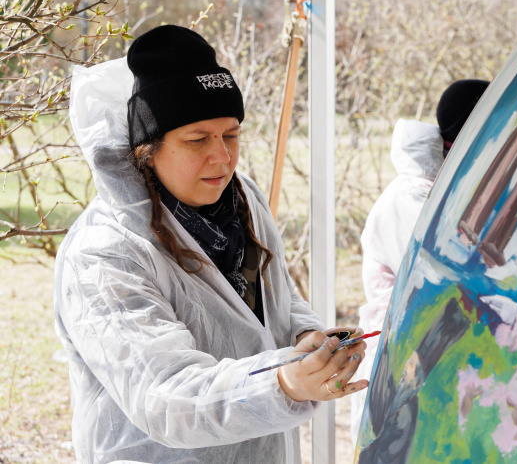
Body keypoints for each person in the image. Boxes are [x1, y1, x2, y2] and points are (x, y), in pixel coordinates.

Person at [54, 25, 367, 463]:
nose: (222, 157)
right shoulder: (104, 253)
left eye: (231, 135)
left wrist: (306, 335)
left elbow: (275, 298)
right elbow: (164, 397)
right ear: (147, 150)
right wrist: (281, 382)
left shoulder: (241, 198)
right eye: (198, 139)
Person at [349, 78, 488, 443]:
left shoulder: (446, 187)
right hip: (396, 367)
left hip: (426, 357)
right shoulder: (410, 197)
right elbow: (443, 276)